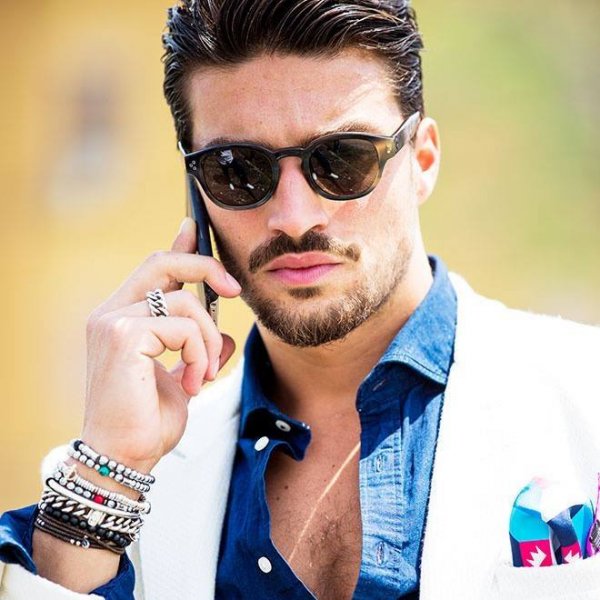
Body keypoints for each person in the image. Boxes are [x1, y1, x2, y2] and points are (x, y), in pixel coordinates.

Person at [1, 1, 599, 599]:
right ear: (197, 192)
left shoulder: (584, 396)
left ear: (422, 159)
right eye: (237, 169)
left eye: (342, 159)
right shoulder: (116, 479)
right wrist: (102, 481)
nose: (293, 217)